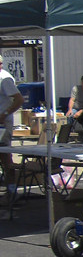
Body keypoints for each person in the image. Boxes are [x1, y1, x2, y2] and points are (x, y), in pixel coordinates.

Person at [1, 56, 26, 198]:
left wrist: (4, 114)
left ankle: (11, 190)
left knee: (4, 155)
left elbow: (19, 99)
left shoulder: (5, 79)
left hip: (2, 124)